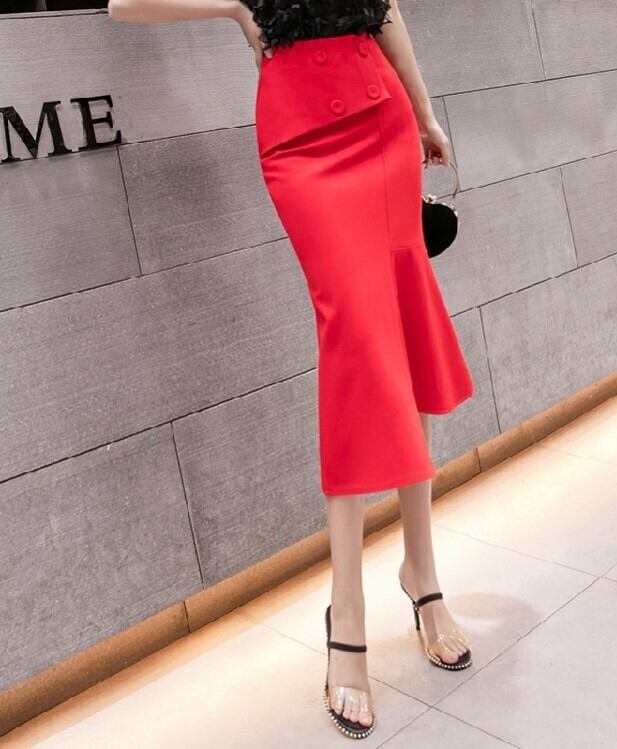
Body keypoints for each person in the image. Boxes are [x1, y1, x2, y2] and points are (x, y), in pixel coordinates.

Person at [107, 0, 474, 739]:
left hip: (382, 115)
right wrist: (235, 6)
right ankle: (348, 609)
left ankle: (422, 572)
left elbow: (383, 7)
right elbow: (121, 5)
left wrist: (424, 111)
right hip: (301, 139)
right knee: (355, 345)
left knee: (402, 330)